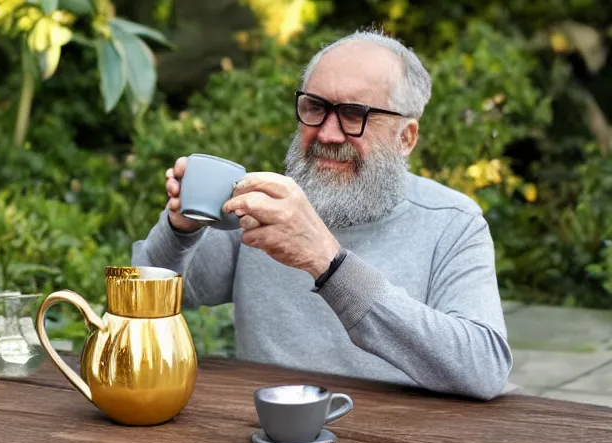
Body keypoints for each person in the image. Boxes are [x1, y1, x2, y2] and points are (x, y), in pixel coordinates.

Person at [131, 29, 513, 400]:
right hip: (269, 432)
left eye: (353, 114)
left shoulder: (452, 222)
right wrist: (181, 229)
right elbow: (150, 299)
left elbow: (483, 366)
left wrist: (328, 263)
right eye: (315, 107)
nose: (328, 134)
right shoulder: (264, 202)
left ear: (406, 138)